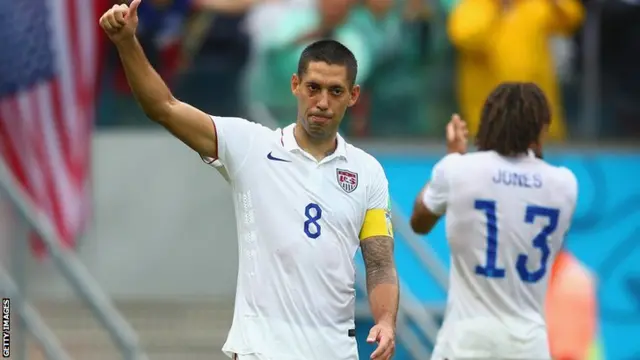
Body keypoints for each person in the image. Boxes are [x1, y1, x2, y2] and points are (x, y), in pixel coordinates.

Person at [99, 2, 399, 360]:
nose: (322, 101)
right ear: (295, 85)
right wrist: (127, 43)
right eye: (313, 87)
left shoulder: (367, 172)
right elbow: (163, 106)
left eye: (335, 91)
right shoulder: (253, 146)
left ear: (353, 96)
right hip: (261, 351)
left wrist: (385, 320)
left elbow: (379, 262)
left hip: (335, 351)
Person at [409, 82, 578, 360]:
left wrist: (453, 157)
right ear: (540, 128)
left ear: (487, 123)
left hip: (466, 343)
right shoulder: (564, 184)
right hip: (529, 346)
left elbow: (419, 222)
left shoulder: (458, 170)